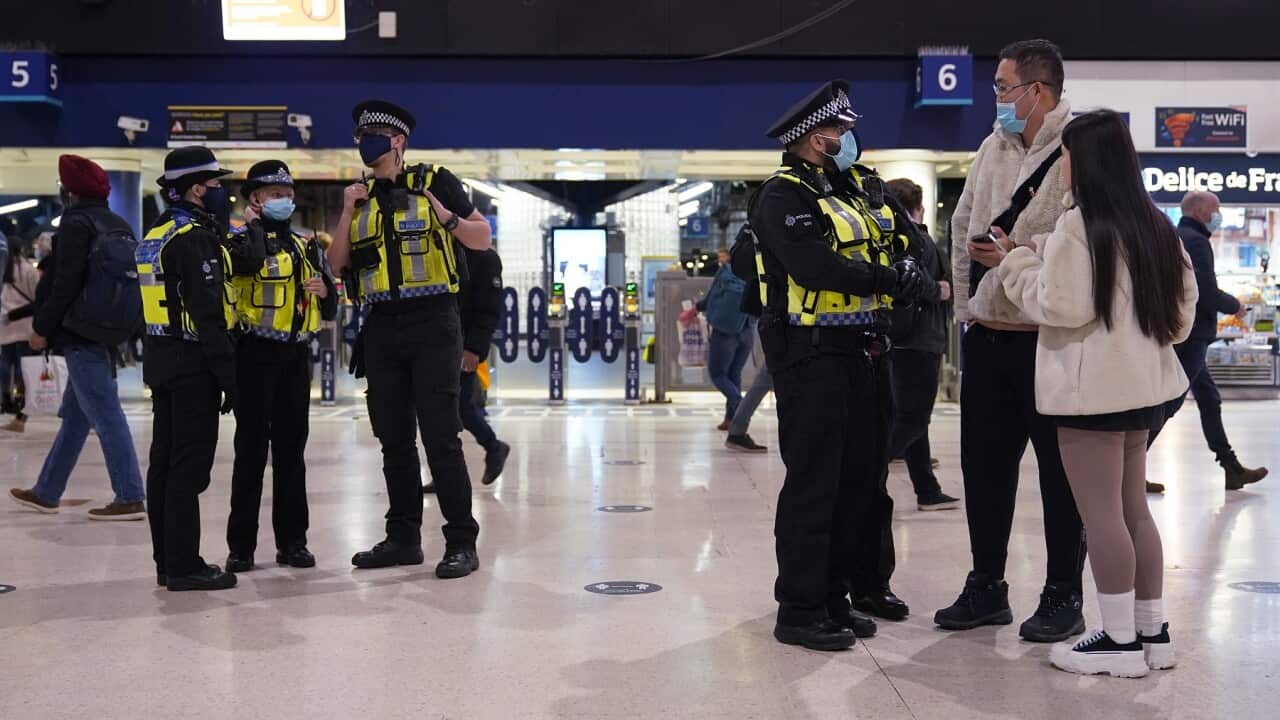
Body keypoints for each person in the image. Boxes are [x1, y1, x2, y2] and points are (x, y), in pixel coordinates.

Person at [993, 110, 1196, 677]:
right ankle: (1152, 634)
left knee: (1100, 513)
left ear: (1084, 161)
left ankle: (1118, 641)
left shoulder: (1080, 227)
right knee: (1134, 511)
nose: (1061, 164)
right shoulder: (1156, 223)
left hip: (1092, 394)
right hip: (1145, 389)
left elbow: (1061, 306)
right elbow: (1180, 318)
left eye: (1066, 154)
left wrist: (1017, 262)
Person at [750, 80, 924, 650]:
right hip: (811, 354)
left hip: (865, 350)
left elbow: (904, 243)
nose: (849, 139)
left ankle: (836, 596)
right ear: (813, 136)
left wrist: (903, 272)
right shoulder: (782, 195)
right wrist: (886, 278)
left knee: (859, 481)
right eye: (841, 132)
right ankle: (798, 609)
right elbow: (813, 267)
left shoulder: (849, 189)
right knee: (814, 483)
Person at [936, 39, 1088, 643]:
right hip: (990, 338)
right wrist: (969, 305)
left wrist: (1015, 255)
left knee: (1061, 475)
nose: (995, 98)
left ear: (1039, 91)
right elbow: (960, 223)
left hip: (1052, 341)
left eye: (1003, 88)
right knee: (984, 469)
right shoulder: (991, 147)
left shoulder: (1079, 146)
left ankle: (1063, 593)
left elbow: (1082, 240)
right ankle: (987, 585)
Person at [328, 100, 492, 578]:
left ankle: (461, 540)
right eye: (361, 134)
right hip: (380, 324)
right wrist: (345, 211)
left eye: (375, 134)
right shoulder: (359, 197)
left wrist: (447, 218)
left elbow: (481, 238)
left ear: (398, 141)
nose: (366, 141)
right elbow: (336, 265)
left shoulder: (435, 181)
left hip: (434, 319)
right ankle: (402, 538)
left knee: (441, 435)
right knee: (392, 438)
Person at [8, 155, 148, 521]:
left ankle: (130, 494)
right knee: (75, 417)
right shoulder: (119, 223)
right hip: (109, 331)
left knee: (105, 412)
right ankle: (47, 490)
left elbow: (64, 284)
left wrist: (41, 329)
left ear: (67, 190)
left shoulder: (76, 223)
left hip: (80, 333)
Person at [223, 160, 337, 573]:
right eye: (274, 194)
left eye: (287, 194)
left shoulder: (307, 245)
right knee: (250, 453)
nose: (283, 200)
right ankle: (241, 547)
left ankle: (294, 543)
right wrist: (254, 227)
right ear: (254, 199)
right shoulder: (237, 242)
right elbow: (246, 267)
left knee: (292, 453)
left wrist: (325, 290)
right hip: (254, 355)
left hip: (295, 359)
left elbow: (331, 307)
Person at [138, 146, 240, 591]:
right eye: (216, 184)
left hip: (161, 360)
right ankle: (185, 566)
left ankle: (167, 560)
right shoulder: (195, 238)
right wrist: (228, 375)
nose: (221, 192)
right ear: (197, 189)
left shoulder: (157, 232)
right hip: (192, 363)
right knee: (189, 467)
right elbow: (208, 313)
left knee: (163, 463)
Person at [1145, 191, 1267, 494]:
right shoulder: (1196, 241)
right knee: (1170, 403)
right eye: (1216, 209)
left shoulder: (1176, 236)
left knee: (1209, 399)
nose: (1219, 214)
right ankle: (1128, 467)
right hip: (1193, 335)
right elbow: (1204, 292)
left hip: (1184, 332)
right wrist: (1235, 305)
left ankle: (1231, 468)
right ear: (1200, 210)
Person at [883, 178, 960, 511]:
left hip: (900, 338)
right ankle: (866, 475)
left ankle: (926, 487)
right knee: (913, 419)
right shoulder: (918, 239)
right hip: (920, 339)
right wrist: (939, 290)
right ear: (919, 205)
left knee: (912, 416)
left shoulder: (890, 238)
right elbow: (919, 282)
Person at [424, 245, 511, 494]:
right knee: (437, 411)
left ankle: (493, 447)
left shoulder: (484, 256)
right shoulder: (439, 245)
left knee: (458, 408)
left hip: (463, 345)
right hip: (434, 341)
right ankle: (444, 473)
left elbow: (488, 310)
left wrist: (474, 349)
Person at [694, 248, 756, 432]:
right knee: (734, 374)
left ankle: (739, 403)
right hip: (748, 330)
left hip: (725, 331)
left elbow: (711, 296)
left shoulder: (726, 270)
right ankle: (731, 420)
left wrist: (697, 307)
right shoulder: (755, 273)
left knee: (718, 374)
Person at [1, 234, 38, 433]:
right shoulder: (27, 269)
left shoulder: (3, 270)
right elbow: (36, 296)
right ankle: (20, 399)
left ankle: (4, 395)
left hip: (5, 322)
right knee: (24, 366)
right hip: (24, 324)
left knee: (6, 361)